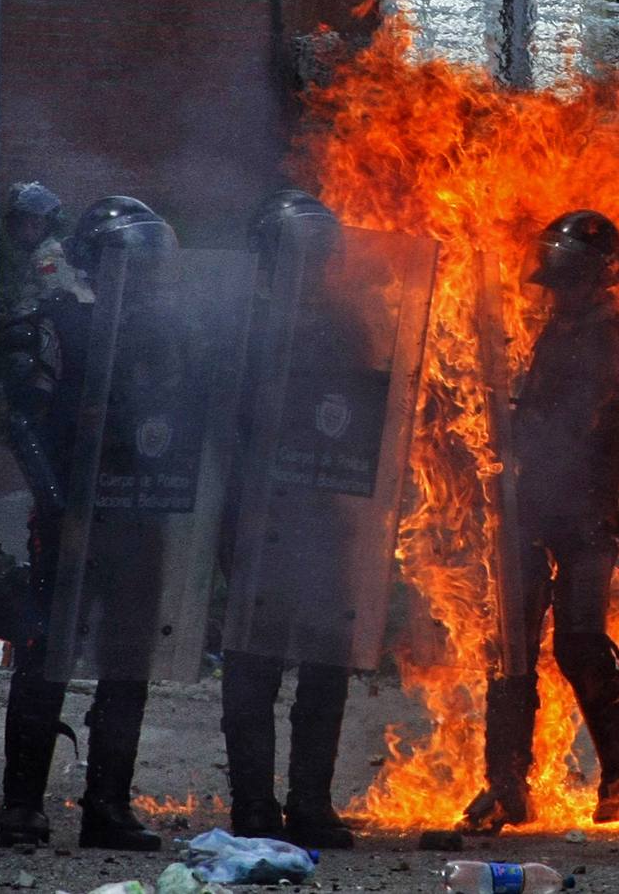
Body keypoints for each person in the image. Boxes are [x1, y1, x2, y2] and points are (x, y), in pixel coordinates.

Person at [460, 210, 619, 834]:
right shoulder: (561, 331)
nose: (557, 293)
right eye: (556, 282)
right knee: (511, 644)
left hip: (584, 511)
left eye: (569, 281)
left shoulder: (611, 340)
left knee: (579, 645)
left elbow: (575, 423)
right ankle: (507, 786)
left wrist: (505, 423)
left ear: (596, 279)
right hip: (536, 503)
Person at [0, 192, 168, 851]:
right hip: (70, 514)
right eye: (134, 266)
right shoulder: (58, 318)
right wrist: (61, 509)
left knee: (128, 658)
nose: (144, 280)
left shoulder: (158, 330)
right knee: (46, 654)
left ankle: (109, 805)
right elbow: (25, 420)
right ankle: (22, 807)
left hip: (137, 513)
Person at [217, 190, 357, 849]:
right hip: (259, 518)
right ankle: (253, 806)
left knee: (325, 663)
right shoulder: (243, 327)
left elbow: (363, 422)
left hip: (324, 517)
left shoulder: (345, 326)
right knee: (255, 665)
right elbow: (222, 430)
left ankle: (310, 804)